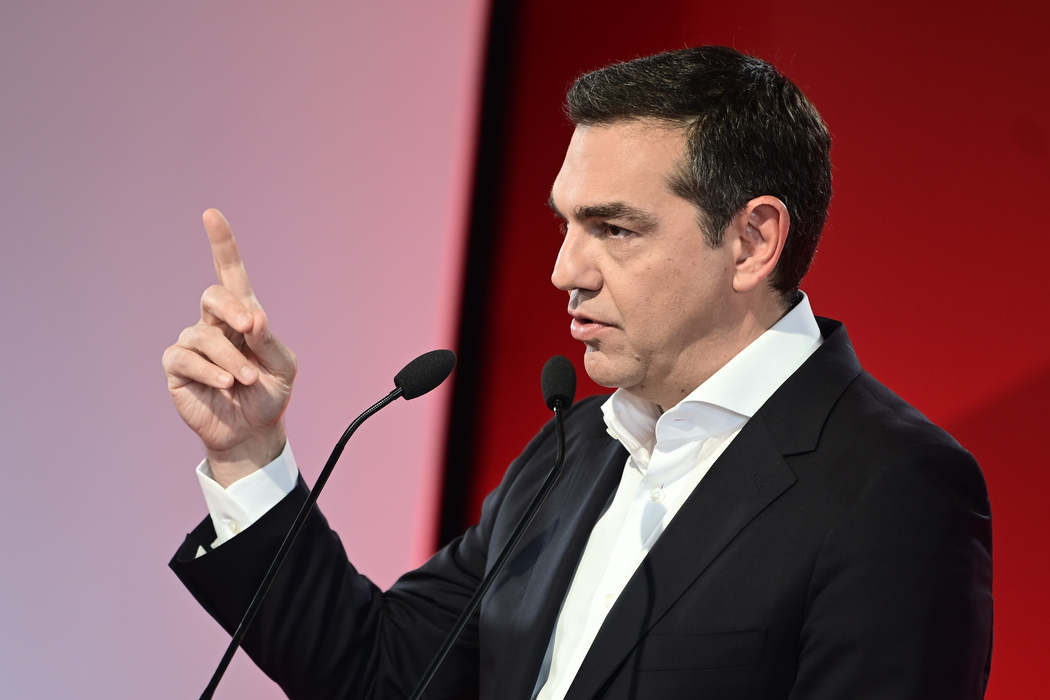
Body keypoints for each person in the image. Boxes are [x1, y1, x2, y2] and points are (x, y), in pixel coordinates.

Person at [167, 46, 993, 699]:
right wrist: (248, 455)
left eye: (614, 230)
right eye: (565, 225)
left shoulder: (894, 487)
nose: (565, 271)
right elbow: (385, 674)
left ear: (751, 242)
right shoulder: (573, 452)